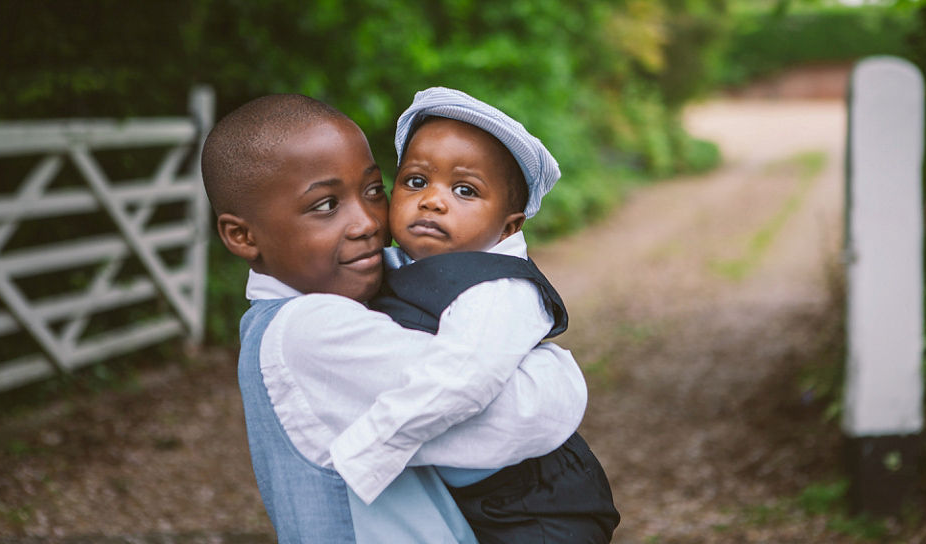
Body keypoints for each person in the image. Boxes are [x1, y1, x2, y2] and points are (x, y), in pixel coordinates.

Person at [200, 93, 589, 543]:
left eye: (372, 191)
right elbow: (523, 413)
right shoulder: (308, 331)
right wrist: (552, 364)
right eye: (326, 205)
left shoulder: (370, 291)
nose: (367, 221)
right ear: (242, 235)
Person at [330, 87, 621, 543]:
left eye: (464, 190)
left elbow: (464, 375)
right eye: (416, 181)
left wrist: (367, 449)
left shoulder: (499, 288)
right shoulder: (390, 265)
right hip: (471, 496)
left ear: (509, 226)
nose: (433, 200)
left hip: (538, 502)